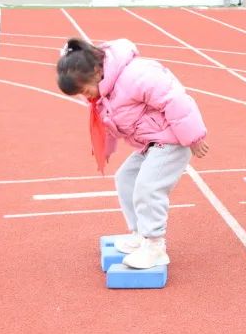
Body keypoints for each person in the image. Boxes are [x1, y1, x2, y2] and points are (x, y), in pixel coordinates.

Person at [56, 38, 209, 269]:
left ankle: (155, 245)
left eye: (85, 90)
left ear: (97, 71)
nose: (87, 97)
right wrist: (105, 150)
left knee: (148, 187)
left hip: (172, 141)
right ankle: (140, 234)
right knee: (126, 178)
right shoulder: (104, 92)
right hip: (152, 142)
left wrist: (193, 137)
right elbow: (106, 121)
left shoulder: (137, 75)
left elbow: (176, 100)